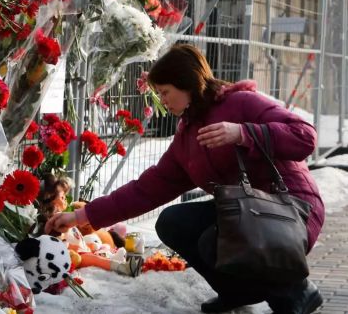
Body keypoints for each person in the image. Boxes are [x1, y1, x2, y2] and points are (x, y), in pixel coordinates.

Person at [45, 44, 325, 314]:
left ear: (187, 83)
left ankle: (294, 289)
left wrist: (243, 133)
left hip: (289, 210)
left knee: (214, 240)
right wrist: (82, 216)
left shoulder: (240, 102)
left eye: (165, 92)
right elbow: (146, 190)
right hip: (244, 213)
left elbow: (305, 137)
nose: (163, 102)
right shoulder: (188, 135)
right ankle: (237, 293)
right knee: (173, 223)